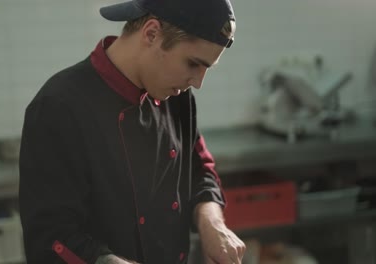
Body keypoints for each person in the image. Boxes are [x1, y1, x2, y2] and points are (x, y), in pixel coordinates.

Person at [19, 0, 246, 263]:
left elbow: (197, 169)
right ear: (151, 33)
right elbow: (52, 236)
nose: (197, 82)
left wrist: (212, 224)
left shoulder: (177, 95)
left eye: (207, 68)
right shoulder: (59, 106)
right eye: (193, 64)